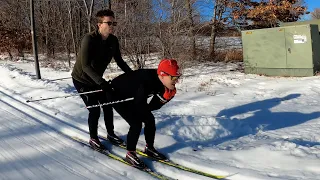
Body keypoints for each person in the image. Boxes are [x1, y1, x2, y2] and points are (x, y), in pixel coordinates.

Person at [71, 9, 132, 151]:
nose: (111, 25)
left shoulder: (113, 41)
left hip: (96, 79)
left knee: (108, 104)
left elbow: (120, 61)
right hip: (81, 80)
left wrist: (132, 75)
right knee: (94, 110)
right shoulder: (89, 39)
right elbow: (85, 66)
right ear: (99, 24)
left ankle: (110, 134)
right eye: (108, 22)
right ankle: (93, 138)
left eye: (113, 22)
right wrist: (101, 82)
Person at [109, 59, 180, 168]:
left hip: (133, 96)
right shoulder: (146, 82)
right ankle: (130, 153)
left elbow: (151, 107)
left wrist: (164, 98)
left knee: (150, 120)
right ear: (162, 75)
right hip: (116, 94)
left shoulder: (164, 84)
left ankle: (149, 148)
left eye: (177, 77)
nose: (176, 81)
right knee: (136, 123)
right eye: (174, 78)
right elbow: (139, 105)